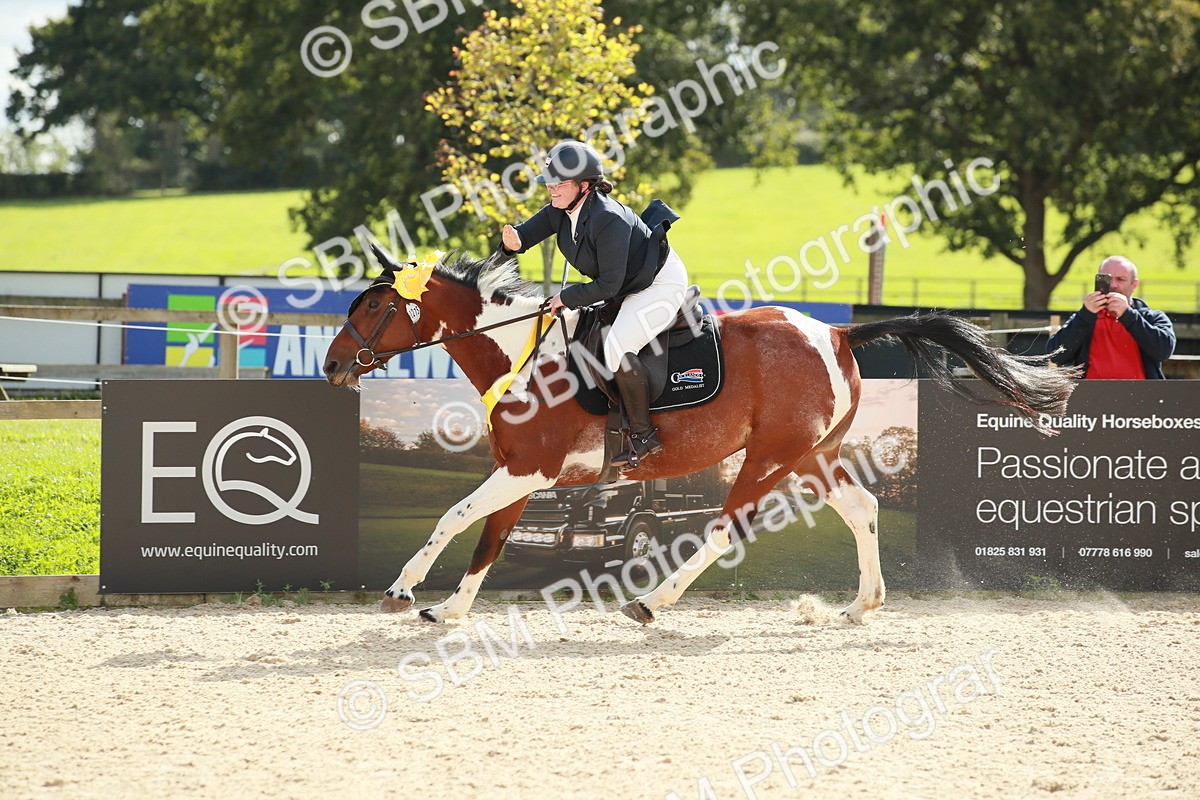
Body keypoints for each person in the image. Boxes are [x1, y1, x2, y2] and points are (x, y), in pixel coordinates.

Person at [500, 140, 687, 466]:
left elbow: (608, 284)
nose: (551, 189)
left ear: (583, 186)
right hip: (625, 284)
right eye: (549, 182)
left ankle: (644, 435)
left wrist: (565, 298)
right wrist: (512, 242)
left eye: (559, 183)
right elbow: (524, 236)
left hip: (656, 285)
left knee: (615, 348)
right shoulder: (562, 210)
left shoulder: (607, 218)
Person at [1048, 256, 1175, 379]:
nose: (1113, 285)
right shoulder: (1085, 318)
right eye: (1107, 279)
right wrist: (1084, 316)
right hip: (1090, 397)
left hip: (1142, 397)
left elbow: (1163, 352)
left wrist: (1128, 315)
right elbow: (1056, 355)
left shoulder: (1152, 317)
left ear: (1134, 285)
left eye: (1120, 279)